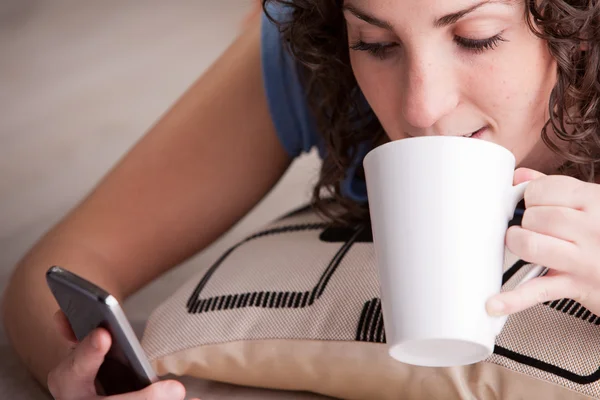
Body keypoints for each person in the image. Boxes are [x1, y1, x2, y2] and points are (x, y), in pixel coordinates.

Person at [3, 0, 600, 398]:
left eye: (476, 38)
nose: (421, 106)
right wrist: (92, 380)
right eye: (375, 43)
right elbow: (60, 269)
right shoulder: (314, 50)